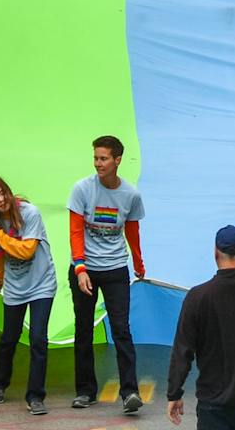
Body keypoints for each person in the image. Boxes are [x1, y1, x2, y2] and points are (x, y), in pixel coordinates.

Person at [165, 225, 235, 430]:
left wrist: (175, 392)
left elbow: (183, 350)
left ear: (215, 251)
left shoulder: (198, 296)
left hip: (214, 404)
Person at [69, 134, 147, 412]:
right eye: (95, 158)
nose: (98, 163)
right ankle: (85, 391)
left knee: (121, 330)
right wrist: (80, 269)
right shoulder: (81, 189)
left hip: (115, 269)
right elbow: (76, 232)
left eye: (103, 158)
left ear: (117, 160)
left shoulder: (131, 194)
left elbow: (133, 232)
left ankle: (130, 392)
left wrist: (138, 264)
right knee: (83, 330)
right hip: (85, 269)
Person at [0, 176, 56, 414]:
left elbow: (27, 251)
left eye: (2, 193)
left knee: (39, 339)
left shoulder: (30, 213)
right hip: (15, 286)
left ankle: (36, 396)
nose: (0, 200)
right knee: (9, 337)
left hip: (41, 283)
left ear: (9, 192)